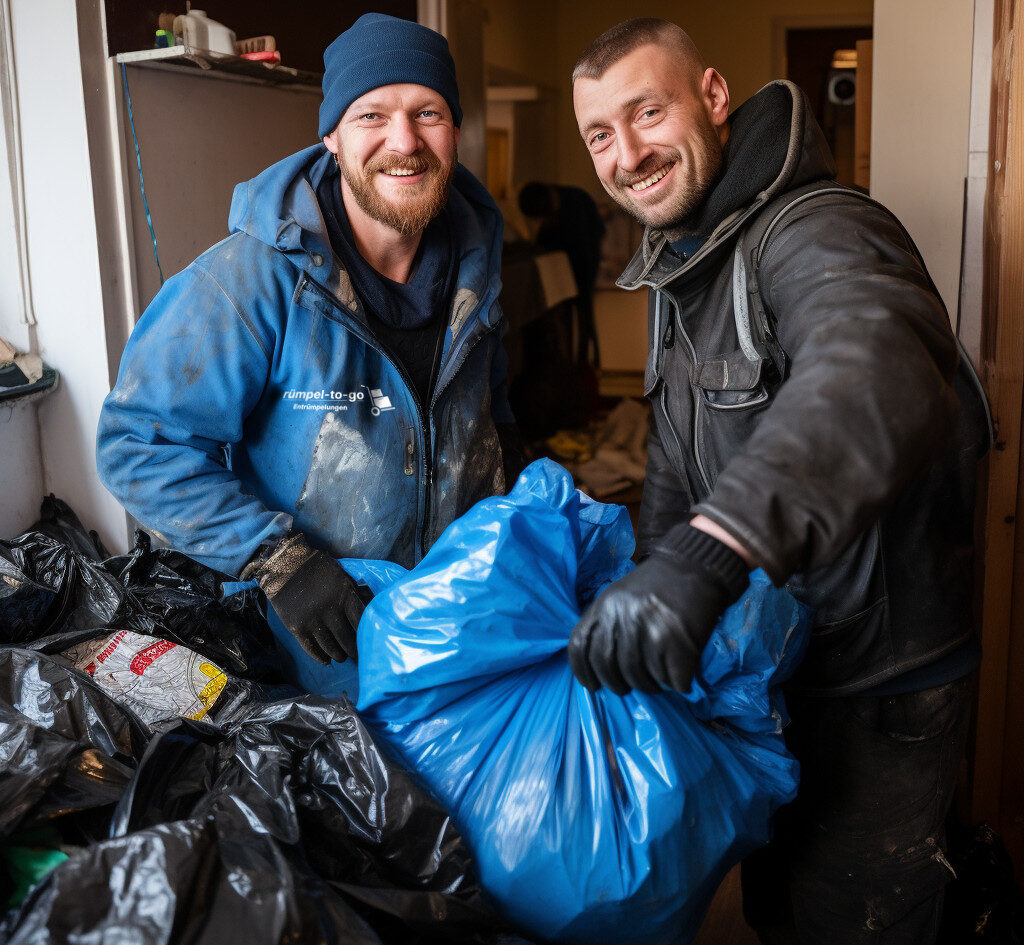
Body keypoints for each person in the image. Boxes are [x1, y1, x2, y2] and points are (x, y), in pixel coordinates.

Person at [568, 18, 989, 945]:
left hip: (880, 680)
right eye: (601, 133)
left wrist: (709, 556)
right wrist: (654, 587)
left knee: (860, 919)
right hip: (776, 673)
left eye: (647, 111)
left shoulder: (818, 228)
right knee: (781, 908)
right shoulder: (685, 266)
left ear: (713, 99)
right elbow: (678, 470)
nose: (628, 153)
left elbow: (873, 371)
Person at [97, 13, 522, 669]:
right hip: (316, 651)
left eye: (428, 112)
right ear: (331, 136)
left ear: (456, 130)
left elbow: (492, 412)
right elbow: (137, 442)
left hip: (454, 629)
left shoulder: (479, 267)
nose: (403, 140)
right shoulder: (249, 280)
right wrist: (276, 558)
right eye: (371, 115)